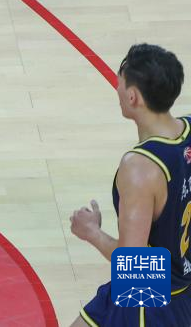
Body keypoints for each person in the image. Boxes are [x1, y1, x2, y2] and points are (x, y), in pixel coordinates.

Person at [69, 44, 191, 326]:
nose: (117, 88)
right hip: (178, 285)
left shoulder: (140, 167)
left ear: (133, 96)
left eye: (120, 83)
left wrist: (91, 232)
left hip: (151, 298)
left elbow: (134, 267)